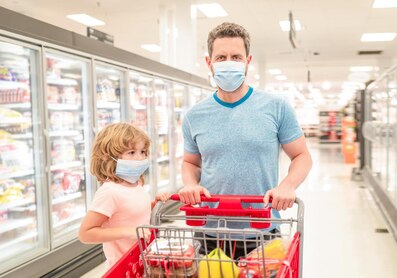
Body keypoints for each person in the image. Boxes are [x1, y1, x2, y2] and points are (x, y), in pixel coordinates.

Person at [178, 22, 312, 258]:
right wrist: (190, 183)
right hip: (209, 230)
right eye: (221, 57)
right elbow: (191, 162)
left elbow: (301, 155)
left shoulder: (276, 107)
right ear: (209, 63)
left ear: (248, 61)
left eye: (236, 56)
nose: (228, 62)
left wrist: (287, 185)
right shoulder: (194, 115)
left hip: (262, 229)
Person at [78, 123, 169, 269]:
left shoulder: (135, 183)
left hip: (141, 261)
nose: (140, 158)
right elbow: (85, 233)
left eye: (143, 152)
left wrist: (153, 204)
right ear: (108, 157)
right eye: (132, 152)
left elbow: (128, 213)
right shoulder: (109, 192)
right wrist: (127, 232)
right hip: (123, 266)